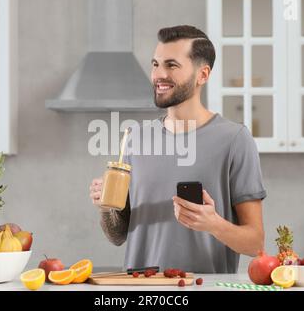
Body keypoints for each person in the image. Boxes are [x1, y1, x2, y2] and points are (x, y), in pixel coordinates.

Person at [89, 25, 267, 273]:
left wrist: (213, 224)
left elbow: (255, 243)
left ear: (202, 75)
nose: (158, 75)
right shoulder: (135, 137)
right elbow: (118, 235)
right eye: (155, 64)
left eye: (171, 65)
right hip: (140, 289)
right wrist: (107, 206)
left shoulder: (235, 139)